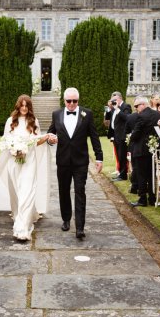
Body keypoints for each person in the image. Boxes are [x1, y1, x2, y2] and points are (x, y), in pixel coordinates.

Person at [0, 95, 52, 240]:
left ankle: (22, 227)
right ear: (18, 106)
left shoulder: (33, 121)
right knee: (17, 190)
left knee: (27, 190)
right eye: (22, 105)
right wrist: (14, 150)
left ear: (29, 107)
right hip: (14, 160)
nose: (24, 108)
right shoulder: (10, 121)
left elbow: (37, 141)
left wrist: (45, 137)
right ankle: (21, 214)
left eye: (27, 105)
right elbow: (5, 140)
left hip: (30, 160)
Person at [47, 87, 103, 239]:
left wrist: (99, 157)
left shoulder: (87, 114)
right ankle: (66, 219)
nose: (72, 104)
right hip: (63, 161)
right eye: (69, 101)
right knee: (63, 191)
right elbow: (50, 134)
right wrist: (50, 139)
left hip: (80, 162)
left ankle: (80, 227)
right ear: (64, 101)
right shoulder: (56, 114)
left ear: (78, 100)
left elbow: (94, 137)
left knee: (80, 192)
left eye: (75, 101)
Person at [128, 96, 160, 207]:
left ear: (143, 104)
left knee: (141, 175)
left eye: (136, 106)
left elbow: (136, 133)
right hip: (153, 149)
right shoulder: (157, 114)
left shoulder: (141, 116)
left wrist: (131, 138)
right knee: (152, 174)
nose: (136, 108)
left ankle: (142, 199)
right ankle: (152, 198)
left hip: (141, 149)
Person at [106, 91, 131, 181]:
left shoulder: (126, 106)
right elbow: (108, 118)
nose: (113, 102)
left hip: (123, 135)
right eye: (112, 100)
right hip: (115, 135)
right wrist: (109, 108)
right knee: (119, 156)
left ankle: (123, 175)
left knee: (122, 156)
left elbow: (127, 118)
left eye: (114, 100)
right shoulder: (114, 108)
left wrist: (117, 109)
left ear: (120, 98)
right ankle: (120, 173)